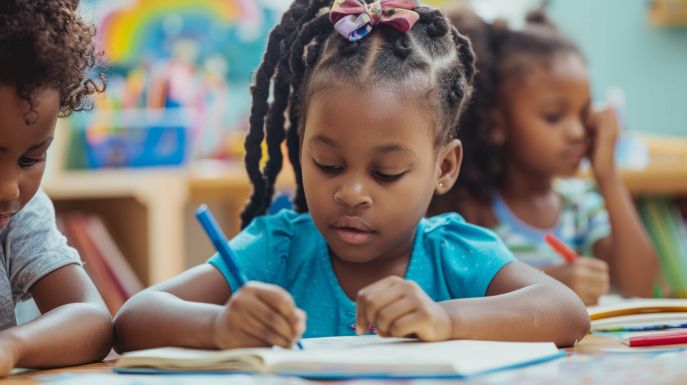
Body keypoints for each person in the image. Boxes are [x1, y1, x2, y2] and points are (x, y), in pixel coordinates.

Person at [114, 0, 590, 352]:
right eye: (328, 164)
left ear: (444, 168)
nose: (352, 192)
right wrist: (217, 328)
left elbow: (567, 312)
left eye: (387, 172)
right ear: (300, 147)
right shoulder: (277, 250)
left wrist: (445, 318)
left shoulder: (454, 254)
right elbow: (134, 319)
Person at [429, 6, 658, 305]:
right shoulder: (473, 215)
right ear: (498, 125)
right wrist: (548, 283)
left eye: (583, 113)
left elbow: (639, 286)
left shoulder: (580, 206)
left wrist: (608, 175)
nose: (577, 131)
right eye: (554, 116)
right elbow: (453, 297)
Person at [0, 0, 112, 377]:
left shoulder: (18, 216)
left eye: (31, 159)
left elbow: (91, 318)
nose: (9, 188)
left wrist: (11, 346)